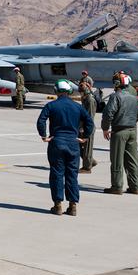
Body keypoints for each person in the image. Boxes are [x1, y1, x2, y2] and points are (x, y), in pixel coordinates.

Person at [37, 79, 93, 215]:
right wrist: (84, 137)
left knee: (57, 173)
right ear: (69, 91)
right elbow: (89, 123)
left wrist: (44, 136)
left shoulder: (51, 105)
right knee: (72, 174)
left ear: (56, 91)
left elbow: (41, 120)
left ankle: (57, 205)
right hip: (73, 143)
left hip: (57, 142)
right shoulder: (77, 107)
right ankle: (73, 206)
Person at [101, 73, 138, 195]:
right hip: (132, 131)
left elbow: (108, 114)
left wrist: (105, 128)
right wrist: (130, 122)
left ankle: (117, 186)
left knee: (117, 159)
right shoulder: (134, 98)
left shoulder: (115, 97)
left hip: (119, 131)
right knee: (132, 160)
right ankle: (135, 186)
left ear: (117, 84)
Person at [77, 72, 98, 172]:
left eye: (81, 93)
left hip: (88, 126)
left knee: (87, 148)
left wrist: (83, 127)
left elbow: (89, 116)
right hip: (83, 125)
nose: (81, 95)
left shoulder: (90, 100)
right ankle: (91, 161)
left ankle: (87, 167)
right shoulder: (85, 98)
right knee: (79, 146)